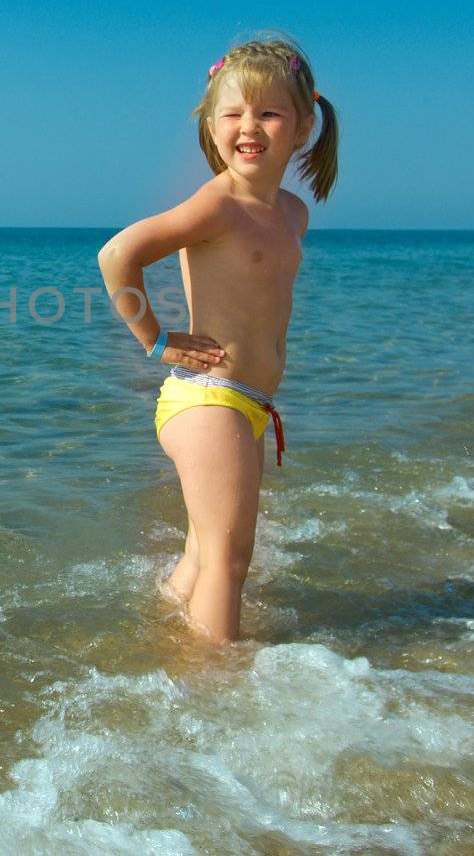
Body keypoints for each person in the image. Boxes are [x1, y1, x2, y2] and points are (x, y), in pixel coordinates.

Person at [96, 34, 339, 643]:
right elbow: (117, 255)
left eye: (268, 112)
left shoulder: (291, 211)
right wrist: (154, 340)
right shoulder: (220, 205)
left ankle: (160, 655)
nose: (247, 126)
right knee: (231, 564)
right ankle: (218, 696)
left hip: (247, 405)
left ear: (304, 123)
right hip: (209, 399)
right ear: (210, 125)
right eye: (231, 113)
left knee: (208, 554)